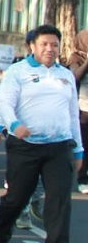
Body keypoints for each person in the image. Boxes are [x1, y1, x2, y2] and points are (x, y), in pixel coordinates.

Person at [0, 24, 83, 243]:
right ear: (33, 45)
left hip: (59, 147)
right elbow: (5, 103)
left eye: (54, 45)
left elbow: (72, 116)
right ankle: (1, 232)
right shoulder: (18, 71)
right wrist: (13, 125)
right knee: (16, 199)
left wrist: (78, 150)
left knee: (59, 201)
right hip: (25, 146)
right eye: (44, 44)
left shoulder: (66, 75)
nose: (49, 49)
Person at [67, 29, 88, 193]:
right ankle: (82, 179)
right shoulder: (76, 57)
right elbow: (75, 76)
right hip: (83, 108)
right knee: (85, 145)